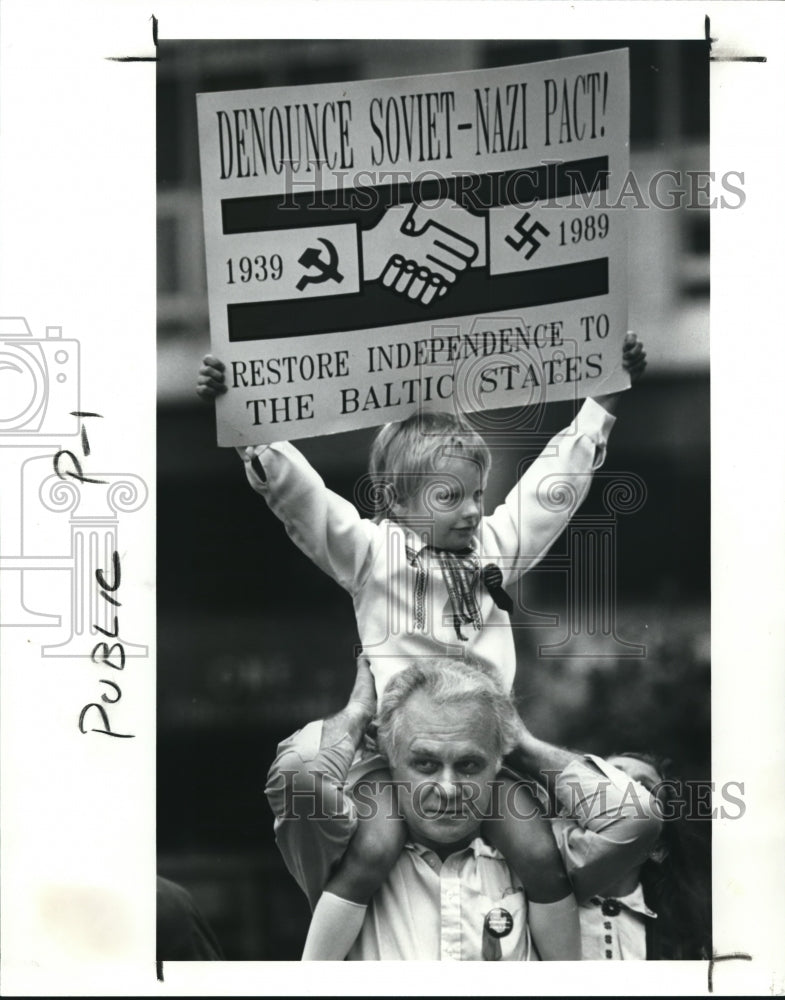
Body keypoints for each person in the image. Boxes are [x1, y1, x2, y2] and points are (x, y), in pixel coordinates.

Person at [198, 334, 647, 960]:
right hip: (395, 760)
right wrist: (247, 424)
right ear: (398, 501)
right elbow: (304, 502)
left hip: (481, 759)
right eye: (448, 497)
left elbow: (553, 488)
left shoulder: (491, 551)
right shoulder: (371, 554)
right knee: (374, 848)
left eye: (476, 495)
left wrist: (602, 401)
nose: (470, 511)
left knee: (540, 855)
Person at [266, 655, 663, 961]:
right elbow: (298, 775)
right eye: (425, 763)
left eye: (469, 765)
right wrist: (356, 716)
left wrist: (523, 746)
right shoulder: (342, 848)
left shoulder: (540, 851)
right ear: (388, 760)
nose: (448, 788)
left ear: (498, 764)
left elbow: (636, 819)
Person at [509, 728, 711, 960]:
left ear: (658, 847)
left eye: (643, 788)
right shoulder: (521, 895)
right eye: (606, 783)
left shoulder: (686, 939)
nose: (625, 794)